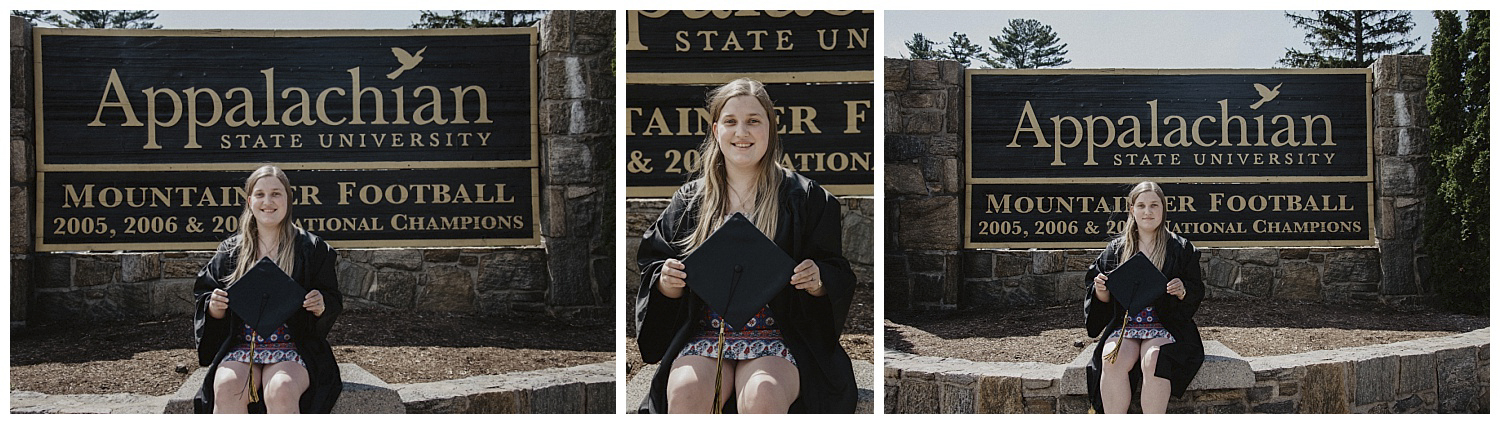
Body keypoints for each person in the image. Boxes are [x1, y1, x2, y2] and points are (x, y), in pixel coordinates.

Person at [635, 78, 857, 414]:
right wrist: (666, 283)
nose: (742, 132)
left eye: (754, 121)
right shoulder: (691, 201)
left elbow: (836, 270)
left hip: (778, 338)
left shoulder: (805, 198)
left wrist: (819, 280)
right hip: (704, 335)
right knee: (685, 391)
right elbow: (654, 262)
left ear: (770, 128)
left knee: (762, 393)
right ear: (715, 130)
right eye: (731, 122)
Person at [193, 165, 343, 413]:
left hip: (293, 347)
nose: (268, 201)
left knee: (281, 388)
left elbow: (331, 297)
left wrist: (321, 304)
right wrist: (214, 307)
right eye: (260, 194)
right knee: (227, 384)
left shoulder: (311, 248)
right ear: (250, 201)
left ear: (288, 199)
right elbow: (206, 295)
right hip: (242, 346)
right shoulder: (231, 251)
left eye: (276, 193)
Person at [1083, 181, 1205, 414]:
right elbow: (1101, 302)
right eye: (1141, 205)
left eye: (1153, 205)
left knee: (1154, 359)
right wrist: (1101, 291)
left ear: (1163, 209)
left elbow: (1196, 289)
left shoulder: (1179, 249)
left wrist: (1183, 290)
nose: (1147, 211)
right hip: (1125, 325)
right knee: (1111, 359)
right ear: (1132, 210)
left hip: (1165, 325)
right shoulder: (1116, 250)